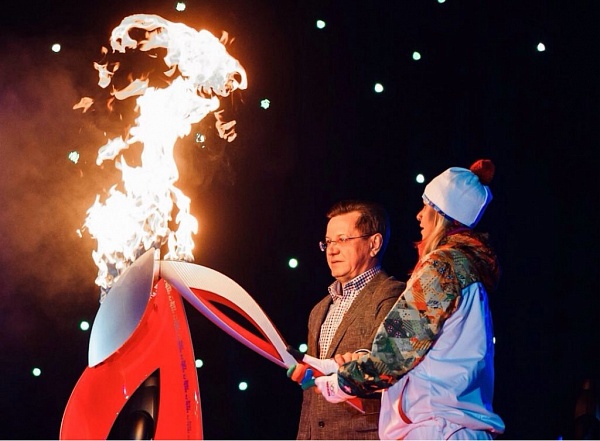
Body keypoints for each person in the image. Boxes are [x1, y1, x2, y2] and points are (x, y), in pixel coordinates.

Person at [299, 159, 505, 440]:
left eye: (426, 207)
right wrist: (335, 367)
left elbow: (395, 352)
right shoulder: (465, 269)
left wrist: (341, 383)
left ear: (442, 214)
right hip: (452, 427)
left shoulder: (442, 268)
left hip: (437, 428)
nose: (419, 216)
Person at [293, 200, 406, 439]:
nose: (332, 250)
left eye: (342, 240)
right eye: (328, 242)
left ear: (374, 244)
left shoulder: (394, 296)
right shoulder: (319, 309)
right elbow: (311, 397)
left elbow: (390, 368)